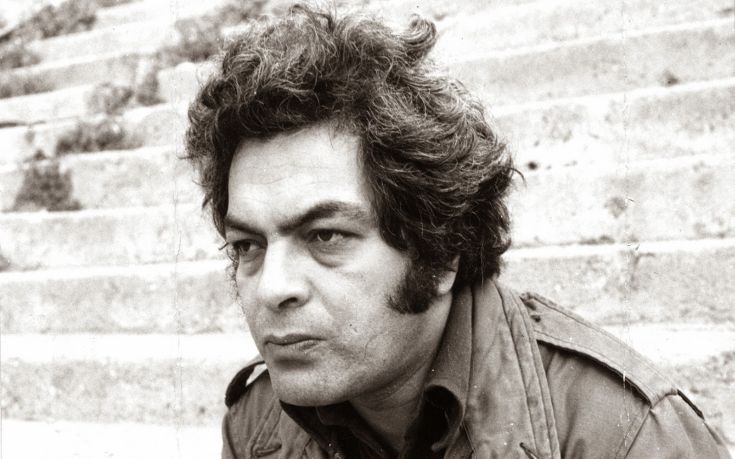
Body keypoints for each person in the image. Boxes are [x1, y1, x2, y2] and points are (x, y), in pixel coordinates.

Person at [185, 5, 731, 458]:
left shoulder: (625, 436)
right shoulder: (257, 424)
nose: (272, 288)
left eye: (325, 236)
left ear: (440, 250)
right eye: (248, 245)